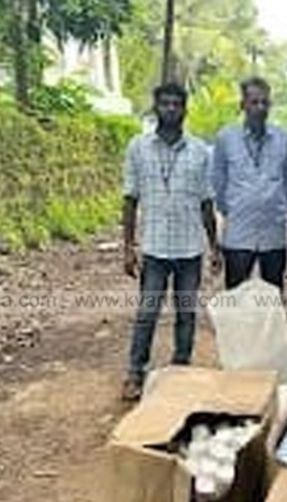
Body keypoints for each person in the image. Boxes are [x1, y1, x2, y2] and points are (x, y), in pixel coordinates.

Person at [120, 82, 218, 401]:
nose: (171, 109)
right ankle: (135, 372)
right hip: (154, 248)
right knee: (147, 312)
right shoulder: (138, 147)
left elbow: (207, 202)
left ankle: (181, 369)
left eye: (177, 104)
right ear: (156, 107)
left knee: (186, 313)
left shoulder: (201, 151)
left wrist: (214, 247)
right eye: (165, 104)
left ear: (185, 109)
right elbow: (130, 200)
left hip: (190, 248)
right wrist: (127, 247)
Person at [211, 76, 287, 292]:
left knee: (273, 297)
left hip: (273, 234)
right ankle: (236, 328)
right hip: (239, 234)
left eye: (265, 102)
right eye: (254, 102)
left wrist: (277, 207)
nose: (260, 107)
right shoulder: (225, 138)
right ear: (243, 105)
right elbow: (218, 184)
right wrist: (236, 207)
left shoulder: (283, 138)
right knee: (236, 296)